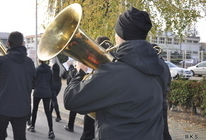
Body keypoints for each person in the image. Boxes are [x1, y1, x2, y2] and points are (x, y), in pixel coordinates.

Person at [64, 7, 169, 140]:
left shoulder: (112, 72)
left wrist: (80, 71)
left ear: (119, 35)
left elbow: (71, 101)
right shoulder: (162, 67)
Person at [0, 31, 36, 140]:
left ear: (8, 44)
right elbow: (34, 84)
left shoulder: (1, 61)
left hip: (1, 109)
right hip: (22, 109)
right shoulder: (30, 63)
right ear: (23, 44)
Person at [28, 59, 55, 139]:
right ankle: (51, 130)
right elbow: (51, 82)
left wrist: (34, 87)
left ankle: (32, 126)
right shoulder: (49, 70)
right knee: (48, 111)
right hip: (47, 92)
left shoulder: (37, 69)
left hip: (38, 91)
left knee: (35, 109)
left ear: (39, 61)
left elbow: (33, 81)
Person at [49, 56, 66, 122]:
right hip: (59, 85)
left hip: (52, 84)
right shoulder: (61, 67)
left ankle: (58, 116)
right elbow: (64, 76)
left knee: (54, 100)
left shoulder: (50, 67)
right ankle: (50, 112)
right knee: (53, 98)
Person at [64, 59, 77, 132]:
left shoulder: (72, 71)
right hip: (78, 91)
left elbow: (68, 81)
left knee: (73, 111)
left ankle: (70, 126)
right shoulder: (75, 70)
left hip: (74, 92)